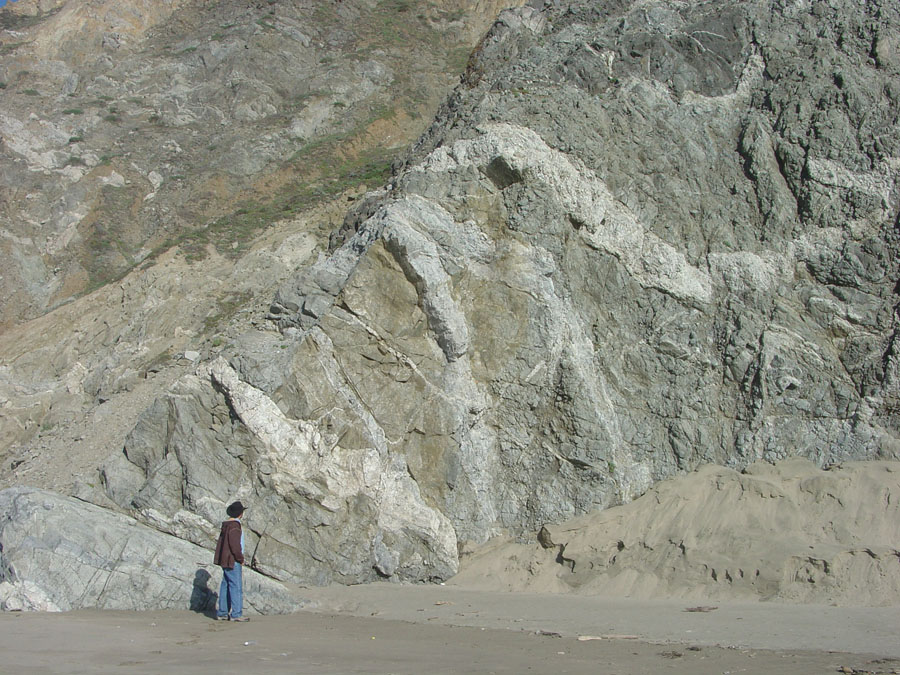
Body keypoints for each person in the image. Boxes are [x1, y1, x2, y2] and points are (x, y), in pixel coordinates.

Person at [213, 500, 249, 622]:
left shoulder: (226, 525)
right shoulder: (235, 526)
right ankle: (236, 614)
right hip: (232, 560)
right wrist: (240, 558)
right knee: (235, 586)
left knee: (226, 585)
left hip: (225, 560)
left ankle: (223, 612)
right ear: (240, 514)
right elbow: (235, 546)